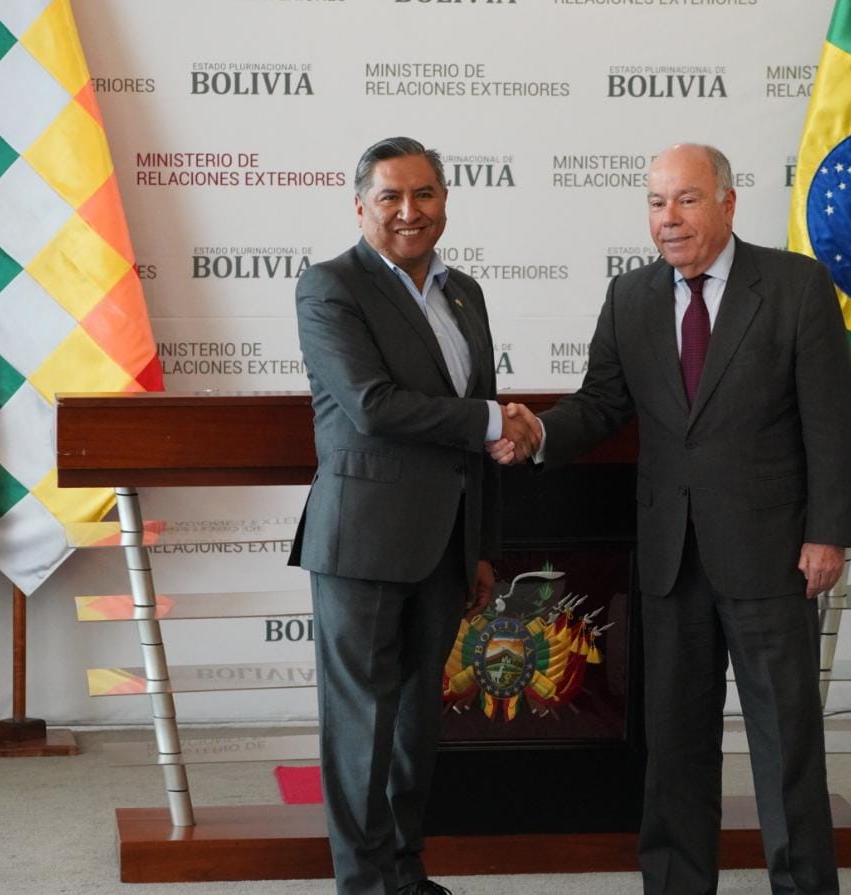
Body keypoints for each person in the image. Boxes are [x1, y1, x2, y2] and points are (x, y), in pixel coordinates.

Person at [493, 143, 851, 894]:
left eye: (687, 199)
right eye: (657, 202)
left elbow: (833, 421)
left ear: (728, 202)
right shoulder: (630, 296)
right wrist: (539, 434)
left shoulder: (794, 286)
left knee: (786, 742)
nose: (669, 218)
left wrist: (828, 532)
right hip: (670, 558)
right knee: (675, 745)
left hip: (771, 554)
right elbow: (602, 404)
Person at [290, 136, 535, 895]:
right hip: (363, 540)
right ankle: (363, 885)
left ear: (445, 202)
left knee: (415, 725)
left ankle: (403, 873)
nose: (409, 210)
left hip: (445, 544)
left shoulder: (466, 293)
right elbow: (372, 405)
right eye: (390, 196)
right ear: (360, 206)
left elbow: (475, 429)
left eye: (424, 193)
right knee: (360, 724)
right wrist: (493, 420)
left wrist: (482, 546)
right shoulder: (330, 286)